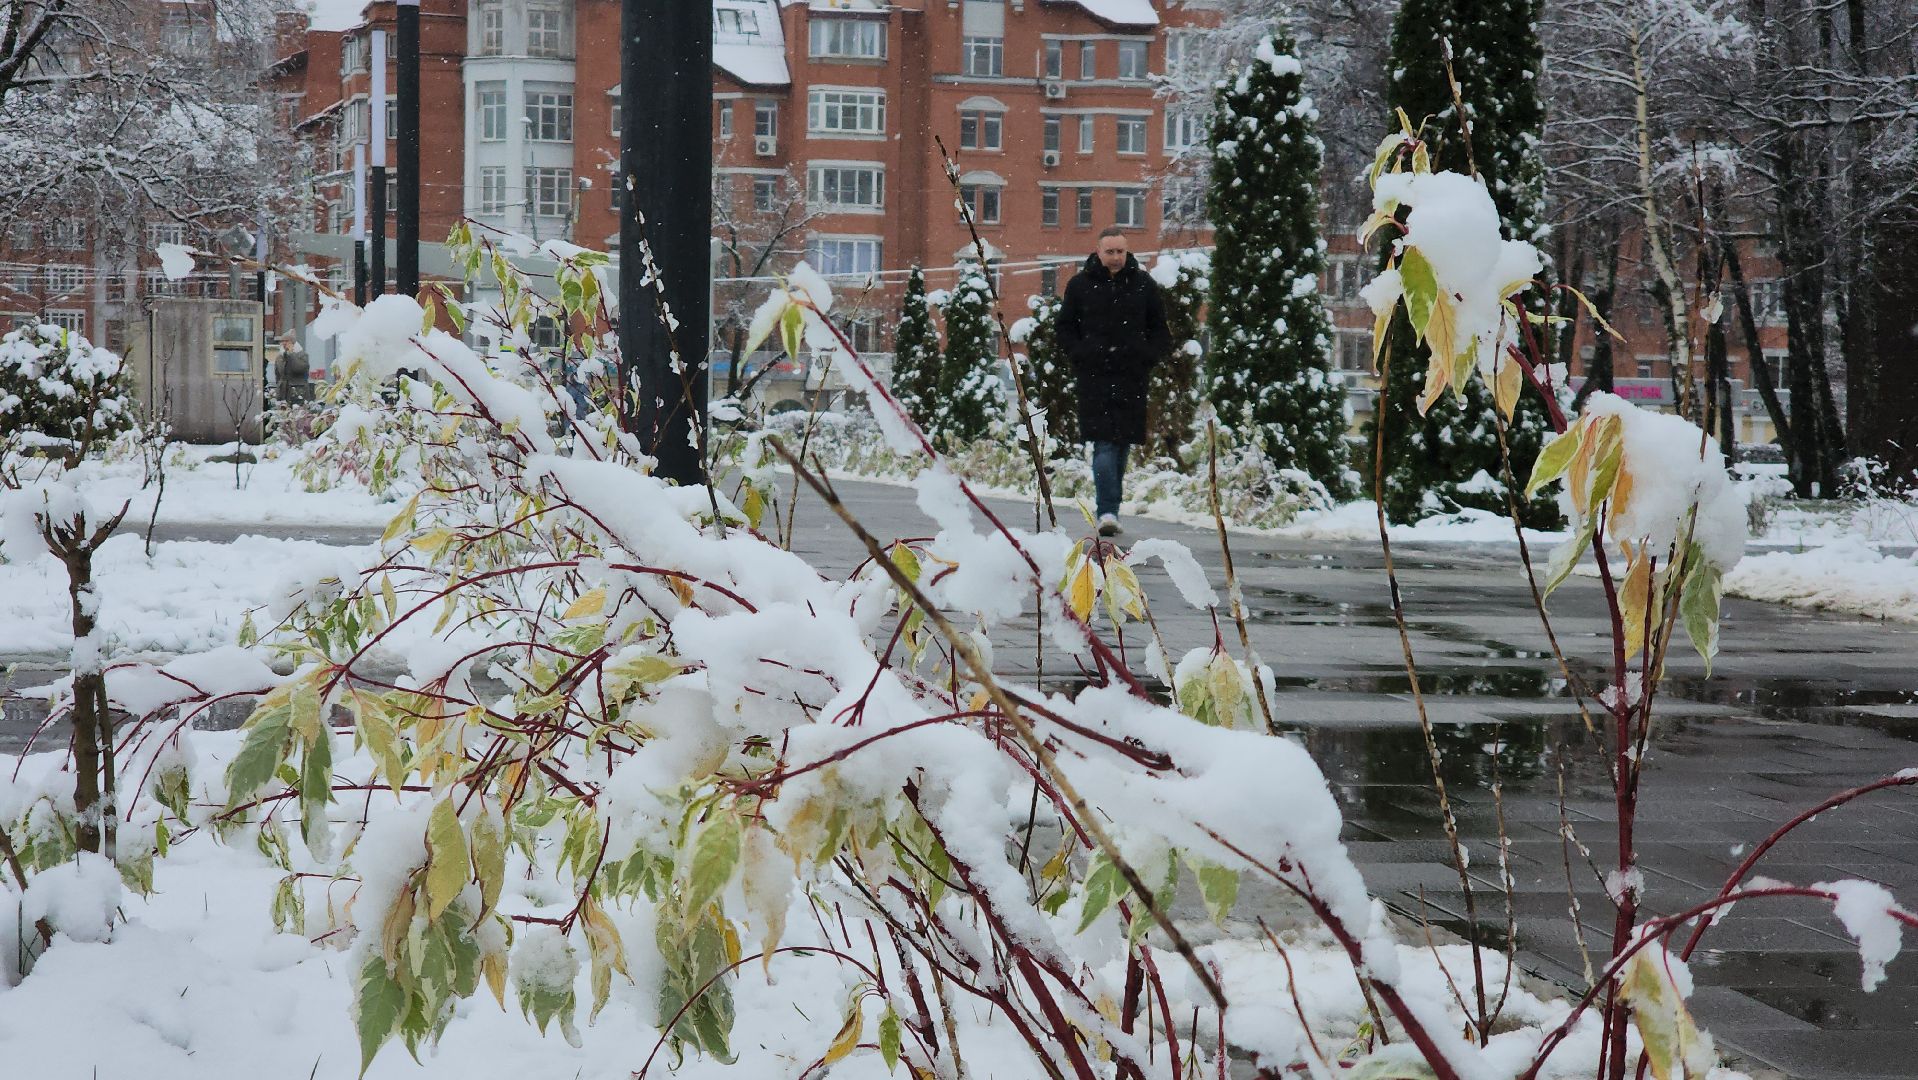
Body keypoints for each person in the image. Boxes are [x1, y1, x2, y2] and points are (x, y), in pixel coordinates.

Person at [1056, 226, 1170, 537]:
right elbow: (1064, 328)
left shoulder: (1143, 285)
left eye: (1120, 251)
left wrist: (1144, 356)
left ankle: (1112, 509)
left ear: (1127, 251)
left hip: (1132, 377)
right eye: (1110, 251)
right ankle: (1106, 510)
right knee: (1104, 442)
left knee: (1122, 445)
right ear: (1098, 251)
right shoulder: (1080, 286)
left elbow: (1160, 330)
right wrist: (1081, 354)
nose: (1116, 257)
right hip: (1094, 377)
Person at [277, 332, 311, 405]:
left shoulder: (302, 355)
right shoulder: (280, 357)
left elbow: (299, 369)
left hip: (298, 390)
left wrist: (291, 354)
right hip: (283, 392)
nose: (284, 343)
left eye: (287, 341)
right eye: (282, 341)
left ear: (293, 343)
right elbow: (278, 375)